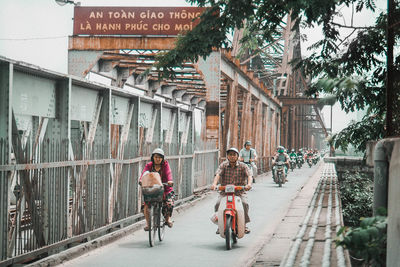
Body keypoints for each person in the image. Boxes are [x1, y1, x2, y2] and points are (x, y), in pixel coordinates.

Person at [211, 147, 252, 234]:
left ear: (237, 156)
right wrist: (214, 184)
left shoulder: (243, 166)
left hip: (239, 192)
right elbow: (218, 174)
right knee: (217, 204)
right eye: (230, 155)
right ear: (227, 156)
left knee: (245, 204)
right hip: (225, 192)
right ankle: (220, 225)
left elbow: (249, 175)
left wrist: (249, 184)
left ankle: (244, 225)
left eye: (234, 155)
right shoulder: (223, 165)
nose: (232, 156)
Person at [139, 148, 174, 231]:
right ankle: (148, 224)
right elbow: (144, 174)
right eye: (156, 157)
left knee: (169, 203)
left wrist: (170, 181)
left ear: (162, 159)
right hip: (152, 188)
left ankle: (167, 219)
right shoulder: (149, 165)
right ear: (153, 158)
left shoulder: (165, 165)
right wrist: (141, 180)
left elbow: (168, 173)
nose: (158, 159)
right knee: (146, 205)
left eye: (160, 157)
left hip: (165, 188)